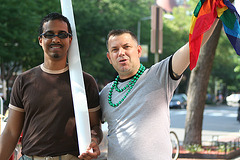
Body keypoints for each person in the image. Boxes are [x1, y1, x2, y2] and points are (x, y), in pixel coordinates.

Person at [99, 19, 219, 159]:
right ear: (109, 57)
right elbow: (91, 127)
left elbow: (192, 46)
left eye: (126, 47)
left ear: (138, 51)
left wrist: (214, 15)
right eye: (115, 49)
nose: (121, 53)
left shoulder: (158, 76)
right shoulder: (106, 93)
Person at [0, 12, 103, 160]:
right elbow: (10, 132)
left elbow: (96, 127)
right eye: (49, 34)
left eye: (62, 34)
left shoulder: (85, 81)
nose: (56, 39)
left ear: (70, 39)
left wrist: (94, 141)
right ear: (41, 40)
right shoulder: (23, 80)